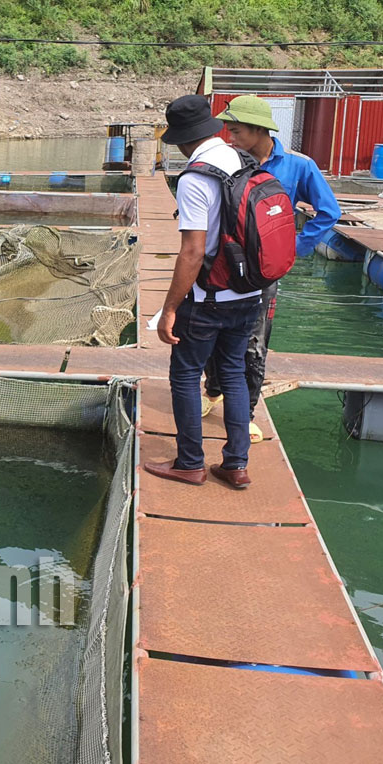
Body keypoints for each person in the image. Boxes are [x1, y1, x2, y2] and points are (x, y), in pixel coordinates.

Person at [203, 95, 343, 440]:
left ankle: (246, 410)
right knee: (211, 327)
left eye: (235, 131)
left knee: (254, 340)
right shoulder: (226, 161)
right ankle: (213, 390)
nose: (229, 137)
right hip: (224, 263)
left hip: (263, 272)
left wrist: (292, 249)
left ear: (257, 129)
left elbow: (328, 212)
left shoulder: (298, 165)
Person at [144, 95, 262, 490]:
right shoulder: (243, 160)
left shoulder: (196, 177)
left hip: (209, 297)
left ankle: (191, 462)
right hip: (249, 292)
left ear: (181, 140)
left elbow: (193, 250)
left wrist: (169, 309)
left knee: (185, 375)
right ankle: (236, 465)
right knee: (232, 373)